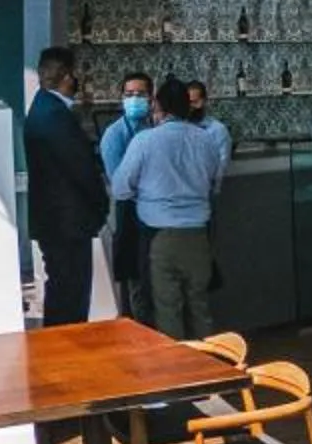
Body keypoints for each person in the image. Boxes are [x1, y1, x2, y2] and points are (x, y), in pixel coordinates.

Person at [110, 76, 227, 338]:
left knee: (168, 312)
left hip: (161, 237)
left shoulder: (145, 141)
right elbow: (212, 180)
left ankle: (178, 373)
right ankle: (209, 369)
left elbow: (120, 188)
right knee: (199, 307)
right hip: (199, 235)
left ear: (158, 108)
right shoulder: (207, 140)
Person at [23, 47, 107, 326]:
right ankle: (65, 359)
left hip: (55, 223)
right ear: (68, 76)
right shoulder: (56, 116)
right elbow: (81, 169)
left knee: (62, 291)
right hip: (67, 224)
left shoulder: (42, 107)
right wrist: (101, 206)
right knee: (70, 297)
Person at [99, 69, 155, 321]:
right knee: (137, 285)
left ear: (151, 98)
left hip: (157, 216)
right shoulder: (114, 135)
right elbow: (120, 182)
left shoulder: (156, 128)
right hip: (130, 213)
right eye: (129, 94)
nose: (134, 99)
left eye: (140, 94)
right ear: (121, 98)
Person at [185, 76, 235, 177]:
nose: (191, 107)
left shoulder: (217, 130)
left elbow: (222, 165)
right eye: (188, 103)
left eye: (195, 102)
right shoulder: (180, 128)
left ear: (204, 101)